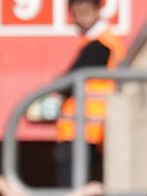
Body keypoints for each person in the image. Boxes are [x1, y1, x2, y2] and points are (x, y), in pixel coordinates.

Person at [49, 0, 123, 186]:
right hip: (87, 130)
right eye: (77, 14)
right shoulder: (102, 41)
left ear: (98, 11)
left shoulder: (100, 44)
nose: (80, 19)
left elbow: (70, 81)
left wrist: (59, 83)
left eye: (85, 12)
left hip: (83, 130)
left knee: (72, 186)